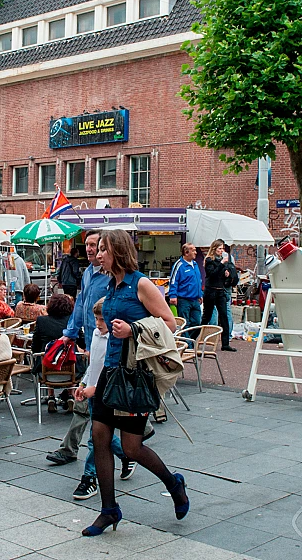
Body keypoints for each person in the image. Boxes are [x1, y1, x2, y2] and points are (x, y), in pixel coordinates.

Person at [83, 229, 187, 537]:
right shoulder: (110, 286)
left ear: (117, 250)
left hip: (135, 377)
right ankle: (108, 509)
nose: (97, 254)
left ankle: (173, 483)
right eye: (97, 249)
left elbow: (169, 322)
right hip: (110, 374)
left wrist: (133, 329)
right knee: (99, 437)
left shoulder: (140, 284)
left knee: (131, 448)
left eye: (103, 249)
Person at [46, 230, 109, 466]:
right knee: (90, 399)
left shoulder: (112, 275)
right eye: (89, 246)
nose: (91, 250)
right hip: (93, 342)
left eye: (96, 246)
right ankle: (70, 449)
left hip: (107, 344)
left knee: (93, 400)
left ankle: (75, 452)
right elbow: (81, 304)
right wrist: (70, 334)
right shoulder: (88, 273)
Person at [71, 299, 134, 500]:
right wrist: (84, 383)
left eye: (102, 319)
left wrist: (94, 389)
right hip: (93, 390)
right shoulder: (97, 335)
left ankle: (89, 477)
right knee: (100, 435)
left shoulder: (116, 342)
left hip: (105, 393)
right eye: (96, 318)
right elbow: (94, 364)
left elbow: (113, 372)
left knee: (94, 438)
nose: (98, 323)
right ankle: (125, 455)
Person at [31, 293, 77, 413]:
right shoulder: (72, 322)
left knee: (49, 356)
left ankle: (51, 397)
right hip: (71, 373)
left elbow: (35, 347)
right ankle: (70, 395)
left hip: (46, 372)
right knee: (70, 356)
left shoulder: (41, 321)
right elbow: (82, 342)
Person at [201, 239, 237, 352]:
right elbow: (211, 274)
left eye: (223, 249)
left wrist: (227, 274)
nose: (222, 251)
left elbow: (222, 276)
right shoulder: (209, 260)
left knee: (224, 316)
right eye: (220, 249)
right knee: (207, 316)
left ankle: (225, 343)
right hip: (210, 291)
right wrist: (221, 266)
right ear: (214, 249)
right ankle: (195, 336)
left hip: (220, 291)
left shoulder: (223, 261)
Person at [169, 243, 202, 337]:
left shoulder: (195, 264)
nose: (195, 252)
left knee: (196, 322)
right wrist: (173, 295)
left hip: (195, 299)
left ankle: (190, 341)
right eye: (193, 250)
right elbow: (173, 281)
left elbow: (198, 281)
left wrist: (200, 294)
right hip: (184, 299)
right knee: (185, 323)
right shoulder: (179, 265)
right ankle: (188, 345)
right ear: (186, 253)